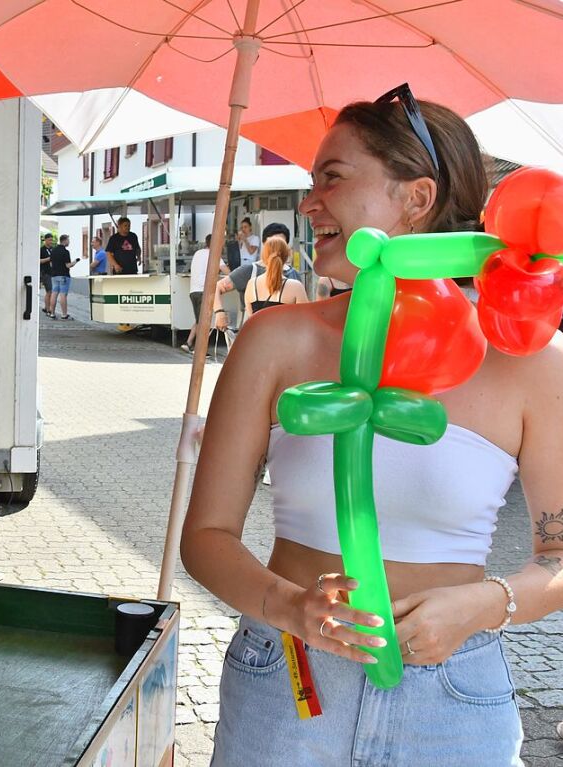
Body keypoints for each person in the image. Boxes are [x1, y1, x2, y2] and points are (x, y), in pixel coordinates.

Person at [182, 89, 563, 766]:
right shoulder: (273, 341)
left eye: (330, 177)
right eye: (309, 182)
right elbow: (205, 538)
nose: (308, 203)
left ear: (415, 199)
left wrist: (479, 606)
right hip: (288, 680)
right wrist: (290, 605)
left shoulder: (526, 362)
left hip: (451, 696)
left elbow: (558, 561)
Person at [213, 222, 300, 329]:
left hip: (285, 339)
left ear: (286, 247)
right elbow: (217, 287)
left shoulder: (293, 274)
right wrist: (219, 312)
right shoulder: (249, 271)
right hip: (253, 337)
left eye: (280, 243)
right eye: (272, 244)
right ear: (264, 245)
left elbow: (302, 314)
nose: (276, 249)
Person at [242, 235, 307, 319]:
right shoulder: (296, 287)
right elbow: (305, 320)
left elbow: (251, 320)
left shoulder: (251, 285)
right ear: (286, 257)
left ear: (263, 257)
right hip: (286, 332)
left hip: (259, 332)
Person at [182, 234, 227, 352]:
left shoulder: (198, 253)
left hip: (193, 292)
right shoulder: (215, 255)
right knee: (204, 323)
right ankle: (201, 351)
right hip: (204, 292)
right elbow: (228, 272)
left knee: (199, 320)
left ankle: (188, 343)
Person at [49, 233, 79, 319]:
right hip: (64, 276)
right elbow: (68, 265)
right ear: (65, 240)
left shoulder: (53, 250)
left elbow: (51, 264)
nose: (69, 242)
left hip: (54, 275)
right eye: (68, 240)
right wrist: (75, 262)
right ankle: (64, 314)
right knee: (63, 295)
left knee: (54, 294)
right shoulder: (65, 252)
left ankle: (52, 313)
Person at [40, 232, 55, 316]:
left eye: (51, 240)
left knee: (52, 291)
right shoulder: (41, 250)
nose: (51, 242)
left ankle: (48, 308)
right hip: (45, 272)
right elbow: (39, 261)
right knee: (49, 291)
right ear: (45, 240)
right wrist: (49, 259)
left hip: (52, 272)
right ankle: (47, 308)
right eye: (49, 240)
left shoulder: (52, 249)